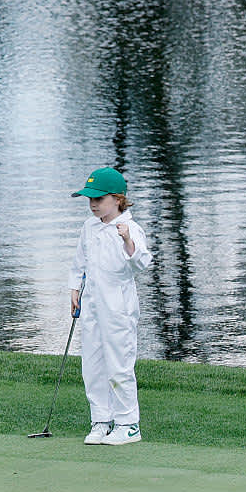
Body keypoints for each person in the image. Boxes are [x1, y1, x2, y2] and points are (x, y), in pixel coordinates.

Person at [69, 167, 153, 445]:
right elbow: (79, 262)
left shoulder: (131, 229)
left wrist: (127, 239)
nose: (92, 204)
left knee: (119, 364)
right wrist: (74, 289)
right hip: (92, 303)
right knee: (92, 365)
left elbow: (141, 262)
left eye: (99, 199)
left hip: (118, 306)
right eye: (89, 199)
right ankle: (101, 420)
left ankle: (128, 424)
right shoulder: (89, 227)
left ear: (117, 199)